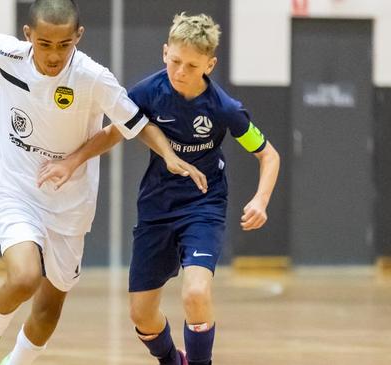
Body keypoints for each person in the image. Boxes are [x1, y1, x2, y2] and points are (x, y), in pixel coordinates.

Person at [0, 1, 205, 364]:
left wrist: (168, 155)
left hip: (70, 202)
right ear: (29, 36)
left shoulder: (93, 77)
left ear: (78, 37)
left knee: (47, 309)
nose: (54, 54)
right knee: (25, 276)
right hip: (15, 188)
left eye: (64, 45)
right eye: (45, 44)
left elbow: (133, 124)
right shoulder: (9, 53)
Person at [39, 12, 281, 365]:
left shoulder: (224, 108)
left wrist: (260, 200)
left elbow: (268, 155)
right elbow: (113, 132)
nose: (181, 72)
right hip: (156, 208)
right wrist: (71, 161)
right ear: (165, 52)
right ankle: (172, 360)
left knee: (196, 294)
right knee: (141, 315)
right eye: (176, 61)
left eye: (192, 66)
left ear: (210, 65)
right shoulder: (148, 92)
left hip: (203, 205)